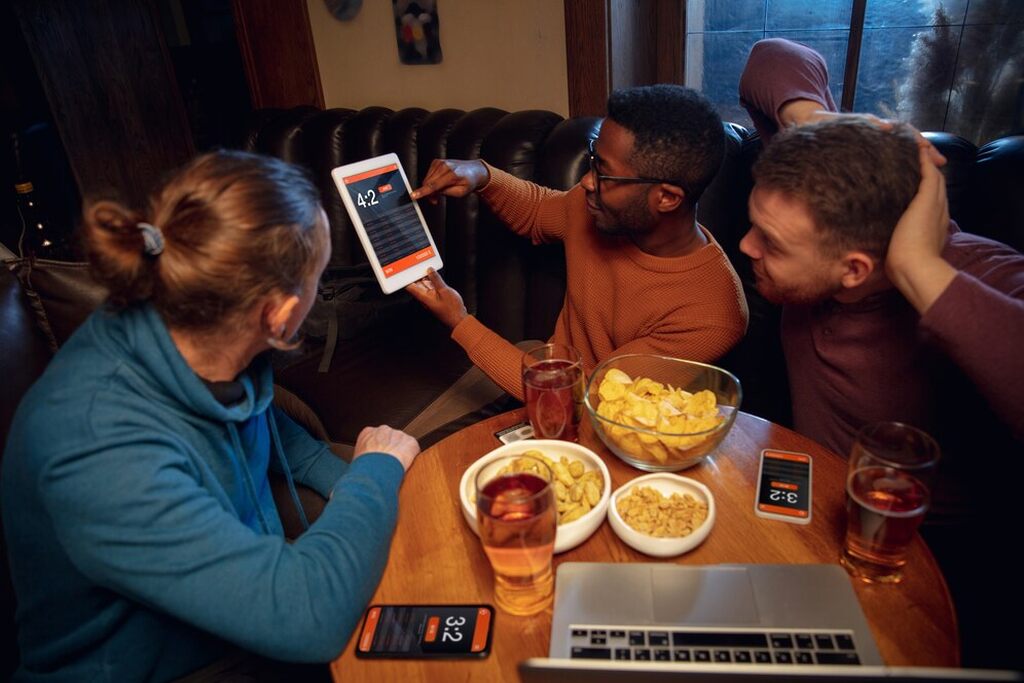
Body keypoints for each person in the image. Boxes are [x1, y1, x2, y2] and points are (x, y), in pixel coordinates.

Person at [1, 151, 421, 682]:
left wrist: (337, 474)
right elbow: (307, 617)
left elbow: (253, 414)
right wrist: (372, 474)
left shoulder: (194, 324)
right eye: (319, 276)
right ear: (281, 314)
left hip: (225, 632)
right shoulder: (94, 451)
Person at [738, 39, 1024, 669]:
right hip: (812, 504)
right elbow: (770, 56)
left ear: (856, 268)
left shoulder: (979, 271)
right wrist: (820, 128)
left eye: (772, 244)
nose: (746, 245)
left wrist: (918, 268)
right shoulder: (817, 206)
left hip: (934, 557)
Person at [405, 85, 748, 402]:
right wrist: (480, 174)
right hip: (544, 366)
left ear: (667, 198)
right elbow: (539, 210)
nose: (586, 181)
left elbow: (584, 396)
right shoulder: (599, 208)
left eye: (605, 173)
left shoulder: (713, 313)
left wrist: (459, 321)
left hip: (596, 414)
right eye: (593, 160)